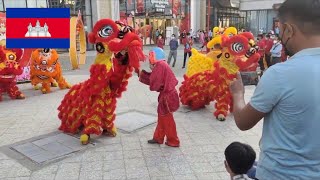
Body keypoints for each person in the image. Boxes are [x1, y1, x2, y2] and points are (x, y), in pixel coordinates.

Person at [229, 0, 320, 179]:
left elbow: (243, 121)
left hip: (279, 174)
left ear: (288, 29)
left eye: (279, 28)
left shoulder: (280, 74)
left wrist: (238, 94)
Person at [138, 47, 180, 147]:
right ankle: (158, 137)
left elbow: (155, 82)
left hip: (167, 96)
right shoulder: (161, 64)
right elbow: (154, 78)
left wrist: (142, 75)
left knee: (167, 120)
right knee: (162, 118)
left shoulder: (160, 66)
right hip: (167, 95)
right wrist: (141, 75)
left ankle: (173, 141)